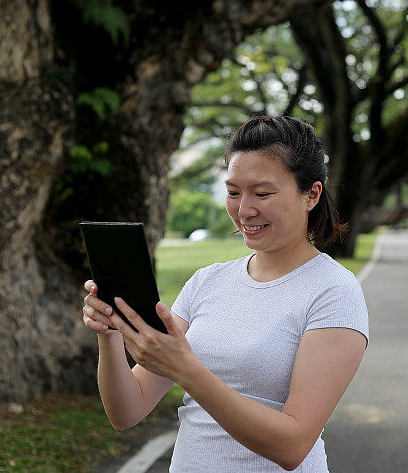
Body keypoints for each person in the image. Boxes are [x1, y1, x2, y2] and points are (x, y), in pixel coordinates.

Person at [81, 115, 369, 472]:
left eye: (262, 193)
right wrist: (110, 334)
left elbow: (293, 445)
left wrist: (187, 372)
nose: (244, 210)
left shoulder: (333, 291)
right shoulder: (207, 282)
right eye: (233, 192)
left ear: (311, 194)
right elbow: (126, 412)